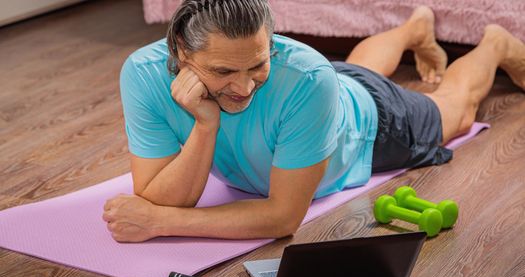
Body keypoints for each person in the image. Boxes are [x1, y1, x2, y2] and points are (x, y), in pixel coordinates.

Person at [103, 0, 525, 243]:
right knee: (346, 71)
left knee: (455, 106)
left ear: (273, 44)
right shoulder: (143, 73)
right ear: (180, 50)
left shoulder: (306, 77)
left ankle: (495, 44)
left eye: (257, 65)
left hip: (374, 125)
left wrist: (160, 223)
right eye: (222, 72)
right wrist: (205, 125)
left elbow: (283, 218)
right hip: (324, 91)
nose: (245, 87)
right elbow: (157, 192)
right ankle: (414, 29)